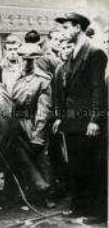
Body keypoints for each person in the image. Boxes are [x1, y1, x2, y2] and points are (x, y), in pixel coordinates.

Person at [53, 13, 108, 223]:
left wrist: (95, 119)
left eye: (66, 28)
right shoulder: (74, 54)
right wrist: (61, 117)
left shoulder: (94, 52)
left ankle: (98, 213)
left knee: (94, 167)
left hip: (88, 123)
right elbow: (67, 90)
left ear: (77, 28)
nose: (62, 32)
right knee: (77, 166)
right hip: (73, 122)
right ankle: (80, 207)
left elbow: (98, 90)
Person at [11, 42, 53, 203]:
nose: (26, 62)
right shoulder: (13, 77)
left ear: (36, 60)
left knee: (41, 157)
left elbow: (44, 109)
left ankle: (46, 195)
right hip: (15, 123)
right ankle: (25, 195)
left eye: (31, 59)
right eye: (23, 58)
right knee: (21, 159)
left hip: (33, 122)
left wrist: (38, 133)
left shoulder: (43, 80)